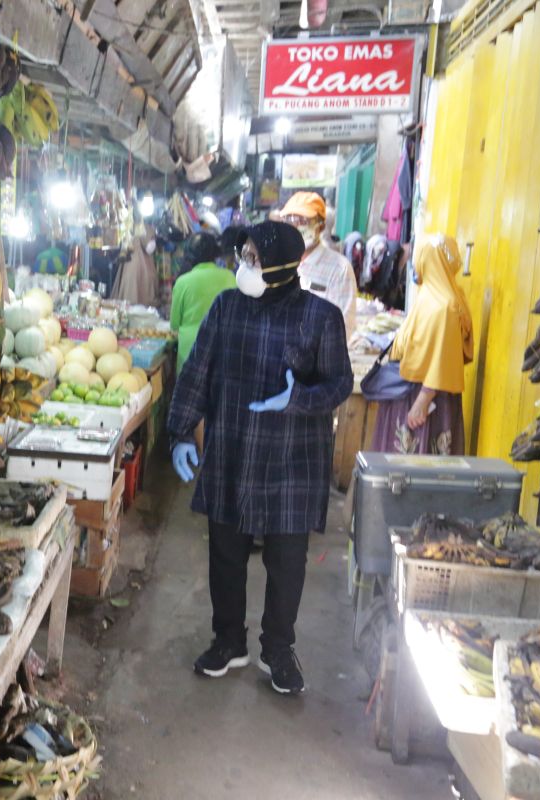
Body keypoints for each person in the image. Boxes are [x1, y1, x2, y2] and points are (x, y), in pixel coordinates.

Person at [167, 222, 353, 696]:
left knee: (286, 563)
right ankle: (229, 640)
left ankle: (277, 649)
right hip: (232, 449)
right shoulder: (227, 307)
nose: (244, 265)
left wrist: (298, 399)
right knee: (225, 555)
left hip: (291, 461)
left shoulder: (320, 317)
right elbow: (198, 371)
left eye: (253, 258)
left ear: (281, 267)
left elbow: (338, 385)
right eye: (243, 255)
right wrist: (182, 432)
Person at [372, 235, 473, 455]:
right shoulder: (442, 296)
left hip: (422, 396)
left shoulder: (442, 305)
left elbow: (442, 356)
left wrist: (422, 401)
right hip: (419, 391)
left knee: (416, 461)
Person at [281, 191, 358, 338]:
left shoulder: (339, 269)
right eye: (290, 220)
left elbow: (344, 327)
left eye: (303, 221)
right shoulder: (279, 262)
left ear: (321, 226)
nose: (295, 226)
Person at [170, 232, 236, 375]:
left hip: (190, 349)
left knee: (188, 394)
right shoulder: (230, 277)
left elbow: (174, 324)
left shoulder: (183, 282)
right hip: (224, 347)